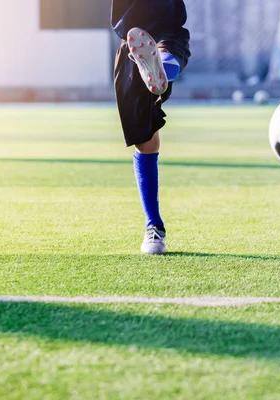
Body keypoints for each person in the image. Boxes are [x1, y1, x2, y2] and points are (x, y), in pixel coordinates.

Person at [111, 0, 191, 255]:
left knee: (146, 141)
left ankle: (154, 226)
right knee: (145, 140)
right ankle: (161, 65)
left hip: (147, 34)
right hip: (140, 39)